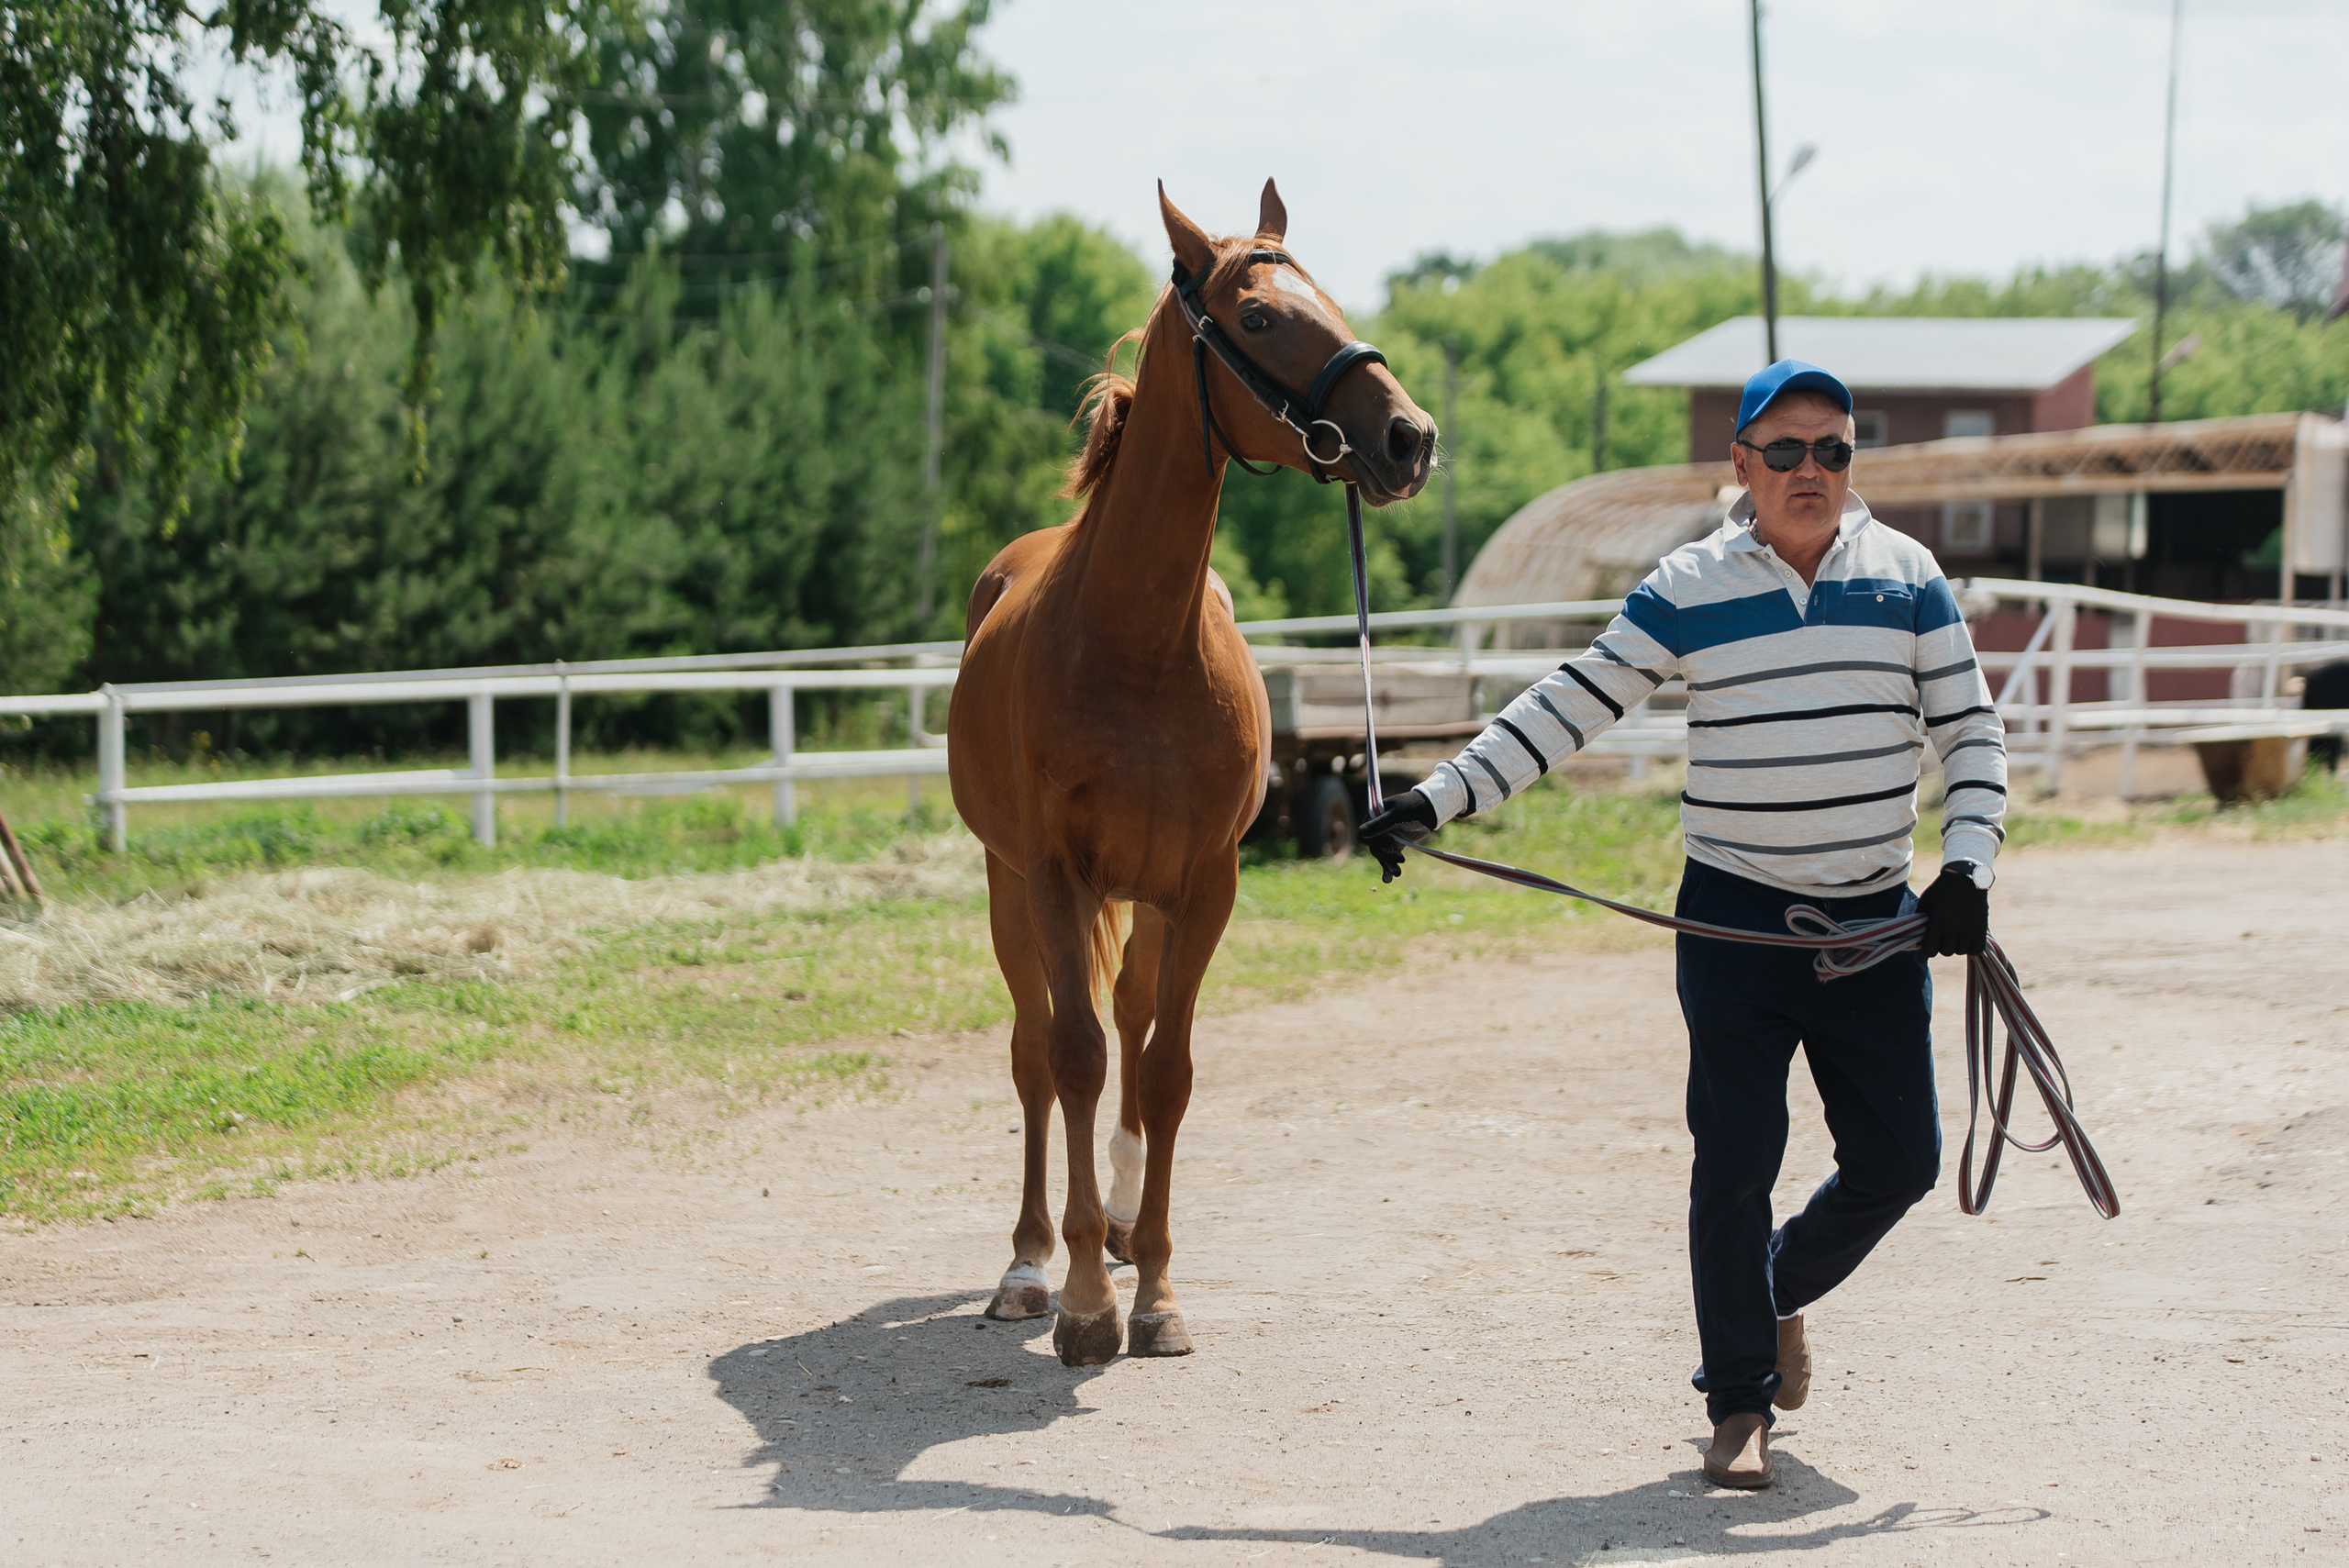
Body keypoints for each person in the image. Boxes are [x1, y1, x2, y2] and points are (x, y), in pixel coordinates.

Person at [1361, 360, 2006, 1490]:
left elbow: (1973, 736)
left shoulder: (1909, 577)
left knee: (1901, 1162)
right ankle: (1739, 1400)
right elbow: (1570, 702)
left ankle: (1773, 1288)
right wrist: (1436, 796)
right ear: (1743, 464)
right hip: (1734, 922)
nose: (1814, 470)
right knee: (1735, 1158)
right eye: (1789, 449)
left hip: (1873, 926)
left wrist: (1967, 868)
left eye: (1835, 449)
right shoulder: (1689, 584)